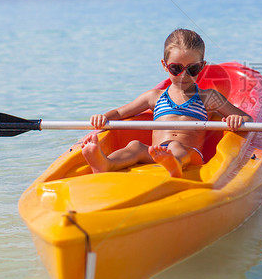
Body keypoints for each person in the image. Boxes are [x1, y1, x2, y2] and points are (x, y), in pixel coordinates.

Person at [80, 29, 252, 178]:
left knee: (176, 147)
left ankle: (174, 164)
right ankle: (106, 164)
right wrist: (102, 118)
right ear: (164, 65)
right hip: (157, 153)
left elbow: (248, 120)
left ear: (202, 67)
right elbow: (120, 113)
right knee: (135, 146)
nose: (184, 76)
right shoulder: (154, 97)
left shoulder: (208, 97)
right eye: (176, 68)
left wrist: (237, 119)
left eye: (192, 69)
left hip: (190, 156)